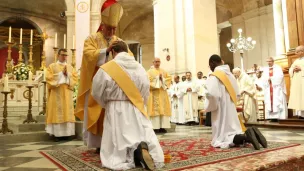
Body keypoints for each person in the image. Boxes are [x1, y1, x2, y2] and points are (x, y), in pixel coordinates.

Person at [91, 41, 164, 170]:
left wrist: (106, 103)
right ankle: (140, 150)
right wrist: (139, 102)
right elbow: (146, 90)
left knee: (118, 138)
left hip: (115, 107)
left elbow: (96, 91)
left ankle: (126, 157)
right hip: (135, 105)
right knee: (138, 131)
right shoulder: (139, 67)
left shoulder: (108, 68)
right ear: (127, 51)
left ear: (113, 52)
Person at [75, 0, 132, 152]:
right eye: (109, 29)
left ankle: (113, 142)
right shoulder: (92, 39)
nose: (112, 33)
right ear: (103, 25)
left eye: (114, 29)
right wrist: (105, 51)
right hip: (97, 83)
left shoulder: (118, 41)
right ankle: (98, 144)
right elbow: (87, 55)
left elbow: (129, 56)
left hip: (114, 84)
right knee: (97, 112)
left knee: (112, 113)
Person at [204, 54, 267, 150]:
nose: (210, 67)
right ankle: (252, 132)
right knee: (233, 130)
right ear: (221, 61)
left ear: (212, 63)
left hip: (220, 109)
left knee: (223, 137)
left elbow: (213, 95)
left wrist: (209, 105)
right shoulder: (230, 75)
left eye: (210, 65)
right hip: (231, 107)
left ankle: (247, 137)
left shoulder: (214, 76)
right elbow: (237, 93)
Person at [45, 49, 78, 141]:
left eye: (66, 55)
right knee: (57, 112)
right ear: (58, 55)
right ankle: (56, 134)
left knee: (67, 111)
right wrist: (60, 74)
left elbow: (75, 78)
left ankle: (68, 134)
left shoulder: (70, 67)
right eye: (63, 55)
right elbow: (48, 78)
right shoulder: (52, 66)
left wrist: (67, 74)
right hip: (56, 92)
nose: (64, 57)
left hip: (67, 92)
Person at [147, 58, 172, 133]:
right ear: (153, 62)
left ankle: (163, 127)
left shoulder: (163, 71)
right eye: (156, 62)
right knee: (155, 111)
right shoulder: (149, 72)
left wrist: (162, 79)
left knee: (163, 110)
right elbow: (148, 81)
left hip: (162, 93)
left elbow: (169, 79)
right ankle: (155, 127)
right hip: (154, 93)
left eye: (158, 62)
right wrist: (158, 79)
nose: (157, 63)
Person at [288, 45, 304, 119]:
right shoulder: (296, 61)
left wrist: (301, 69)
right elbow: (290, 70)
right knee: (299, 97)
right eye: (296, 52)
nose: (296, 53)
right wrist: (293, 70)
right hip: (297, 82)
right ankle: (300, 114)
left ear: (302, 51)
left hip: (303, 81)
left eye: (297, 52)